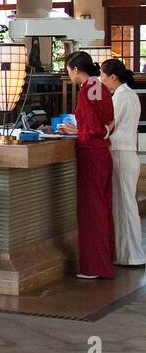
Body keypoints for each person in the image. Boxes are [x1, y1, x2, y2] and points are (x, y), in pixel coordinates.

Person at [58, 51, 116, 279]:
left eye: (68, 71)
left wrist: (82, 130)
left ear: (74, 70)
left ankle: (94, 266)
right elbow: (107, 123)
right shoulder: (100, 87)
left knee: (91, 211)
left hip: (90, 155)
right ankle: (106, 259)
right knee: (103, 208)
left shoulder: (85, 92)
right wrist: (89, 129)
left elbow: (93, 128)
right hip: (103, 153)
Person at [103, 58, 144, 267]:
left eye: (103, 76)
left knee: (124, 205)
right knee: (124, 204)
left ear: (113, 77)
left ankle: (132, 255)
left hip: (121, 152)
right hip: (126, 153)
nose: (101, 80)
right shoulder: (128, 95)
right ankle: (127, 253)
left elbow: (111, 125)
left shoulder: (121, 97)